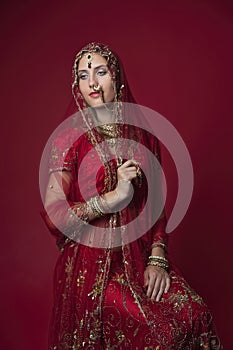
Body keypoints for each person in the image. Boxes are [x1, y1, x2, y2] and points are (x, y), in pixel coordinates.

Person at [41, 42, 221, 349]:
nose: (93, 83)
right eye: (83, 76)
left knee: (195, 314)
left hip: (140, 260)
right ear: (77, 85)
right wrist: (111, 199)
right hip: (94, 270)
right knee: (158, 335)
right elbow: (53, 216)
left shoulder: (142, 134)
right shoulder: (69, 137)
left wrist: (158, 258)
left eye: (100, 72)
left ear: (117, 77)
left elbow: (155, 209)